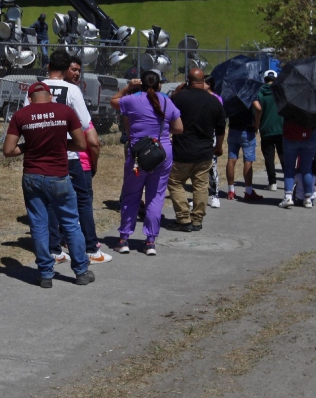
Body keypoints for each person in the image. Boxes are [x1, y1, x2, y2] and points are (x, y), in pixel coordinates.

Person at [4, 82, 94, 286]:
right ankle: (81, 271)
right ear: (50, 95)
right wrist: (62, 145)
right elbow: (81, 144)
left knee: (38, 224)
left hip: (32, 176)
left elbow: (8, 150)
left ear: (29, 98)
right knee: (71, 223)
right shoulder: (65, 111)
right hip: (59, 175)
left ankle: (45, 273)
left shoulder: (21, 115)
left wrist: (30, 146)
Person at [34, 50, 109, 265]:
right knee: (82, 200)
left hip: (42, 152)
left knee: (48, 202)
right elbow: (85, 123)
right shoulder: (72, 90)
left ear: (48, 66)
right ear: (67, 68)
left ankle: (54, 249)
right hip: (68, 152)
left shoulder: (37, 88)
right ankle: (90, 247)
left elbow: (24, 116)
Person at [110, 70, 184, 255]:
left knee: (131, 195)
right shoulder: (167, 101)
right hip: (162, 153)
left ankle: (124, 238)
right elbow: (179, 128)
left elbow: (113, 101)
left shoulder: (132, 100)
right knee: (156, 196)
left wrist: (128, 87)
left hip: (138, 155)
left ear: (140, 84)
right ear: (160, 85)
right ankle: (150, 241)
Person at [168, 67, 225, 232]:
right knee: (200, 185)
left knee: (175, 182)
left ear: (188, 80)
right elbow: (221, 128)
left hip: (182, 150)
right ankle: (197, 219)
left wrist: (176, 92)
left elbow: (166, 109)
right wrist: (219, 147)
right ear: (204, 82)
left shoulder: (179, 98)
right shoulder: (214, 101)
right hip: (204, 151)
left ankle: (183, 218)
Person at [224, 89, 263, 201]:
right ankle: (248, 191)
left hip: (233, 128)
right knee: (248, 160)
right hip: (247, 129)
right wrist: (257, 122)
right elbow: (258, 108)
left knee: (231, 159)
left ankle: (231, 190)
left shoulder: (231, 93)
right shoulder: (250, 92)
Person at [279, 116, 316, 209]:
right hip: (309, 134)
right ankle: (308, 198)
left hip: (290, 134)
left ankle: (288, 197)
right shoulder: (312, 105)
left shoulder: (290, 104)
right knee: (307, 168)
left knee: (289, 168)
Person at [256, 69, 284, 190]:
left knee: (269, 157)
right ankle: (289, 179)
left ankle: (272, 182)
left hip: (266, 129)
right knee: (283, 155)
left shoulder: (260, 93)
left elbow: (257, 110)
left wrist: (257, 125)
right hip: (281, 128)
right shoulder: (281, 92)